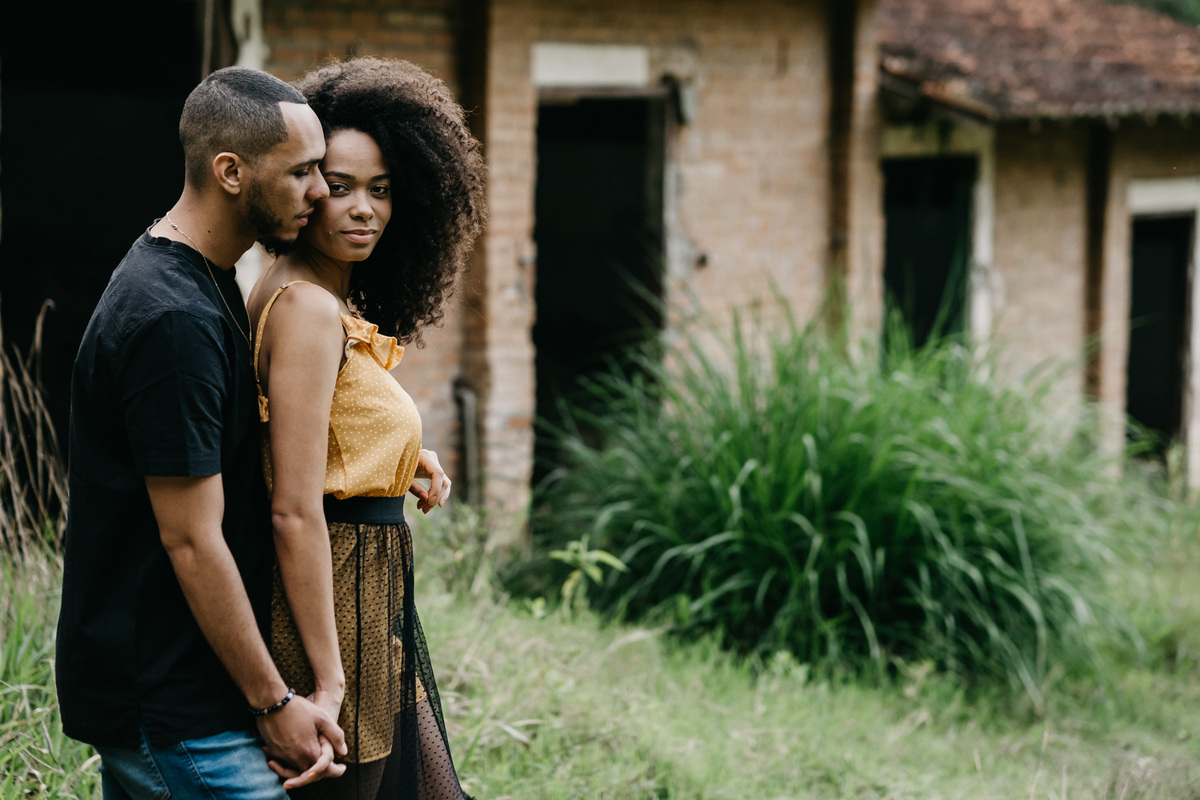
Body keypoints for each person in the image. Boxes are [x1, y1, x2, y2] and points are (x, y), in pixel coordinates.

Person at [56, 66, 350, 799]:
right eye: (304, 173)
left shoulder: (205, 279)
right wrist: (273, 704)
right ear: (229, 171)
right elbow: (192, 541)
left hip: (175, 693)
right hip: (172, 705)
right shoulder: (172, 321)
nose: (322, 192)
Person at [246, 57, 485, 800]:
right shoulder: (308, 309)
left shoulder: (309, 295)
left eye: (381, 190)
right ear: (306, 188)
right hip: (334, 605)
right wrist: (327, 676)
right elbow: (292, 506)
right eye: (339, 187)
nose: (363, 209)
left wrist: (402, 454)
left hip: (371, 599)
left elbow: (321, 435)